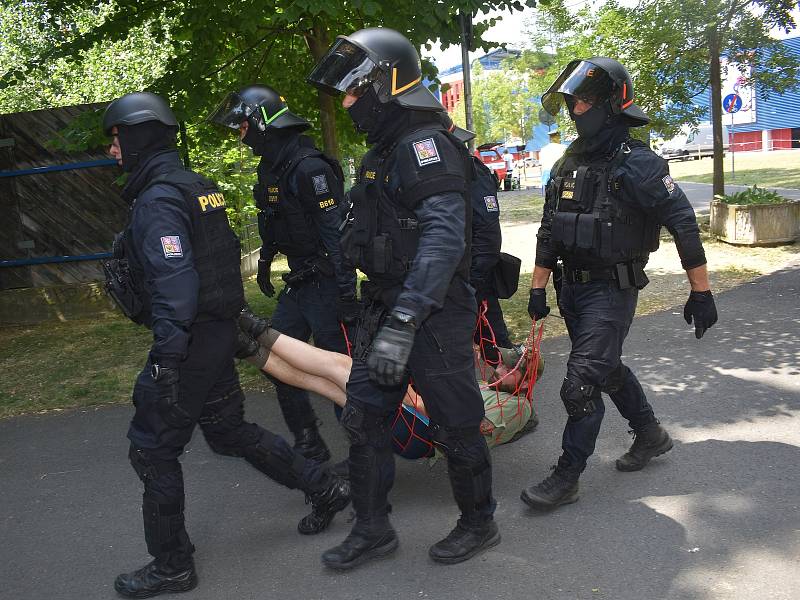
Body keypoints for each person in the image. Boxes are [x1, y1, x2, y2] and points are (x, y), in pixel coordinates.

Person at [102, 92, 350, 598]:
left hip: (190, 342)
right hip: (214, 333)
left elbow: (176, 286)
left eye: (115, 138)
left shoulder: (160, 199)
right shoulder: (198, 187)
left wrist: (168, 360)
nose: (112, 151)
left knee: (151, 449)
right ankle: (323, 486)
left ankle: (171, 565)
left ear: (137, 136)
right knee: (227, 431)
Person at [307, 27, 500, 569]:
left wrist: (407, 319)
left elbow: (443, 239)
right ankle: (372, 531)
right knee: (365, 417)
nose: (346, 103)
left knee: (454, 422)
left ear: (384, 84)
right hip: (389, 306)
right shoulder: (382, 154)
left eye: (352, 90)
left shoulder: (425, 146)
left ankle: (478, 522)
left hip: (432, 312)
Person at [520, 58, 719, 511]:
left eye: (586, 101)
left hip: (613, 289)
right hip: (571, 290)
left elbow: (683, 223)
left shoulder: (640, 164)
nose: (576, 111)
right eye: (571, 102)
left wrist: (701, 289)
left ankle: (567, 476)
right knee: (605, 368)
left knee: (580, 384)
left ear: (613, 106)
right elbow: (549, 228)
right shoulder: (568, 162)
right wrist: (537, 286)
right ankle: (650, 434)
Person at [209, 85, 357, 463]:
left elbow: (334, 234)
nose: (239, 135)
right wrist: (264, 261)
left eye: (242, 126)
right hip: (300, 283)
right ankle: (309, 441)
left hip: (325, 285)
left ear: (261, 123)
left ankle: (365, 455)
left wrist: (345, 292)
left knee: (343, 371)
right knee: (279, 363)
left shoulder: (310, 167)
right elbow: (273, 218)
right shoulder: (272, 165)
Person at [236, 307, 542, 458]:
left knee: (341, 367)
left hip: (419, 434)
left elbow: (461, 424)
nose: (497, 366)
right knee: (320, 383)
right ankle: (244, 346)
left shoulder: (517, 408)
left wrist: (406, 389)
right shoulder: (492, 388)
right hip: (410, 418)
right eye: (499, 360)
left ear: (523, 379)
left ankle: (253, 327)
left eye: (506, 366)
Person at [538, 129, 567, 194]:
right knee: (561, 194)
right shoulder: (564, 148)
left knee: (548, 195)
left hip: (547, 174)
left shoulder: (543, 149)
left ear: (550, 138)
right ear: (557, 137)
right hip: (559, 173)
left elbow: (541, 163)